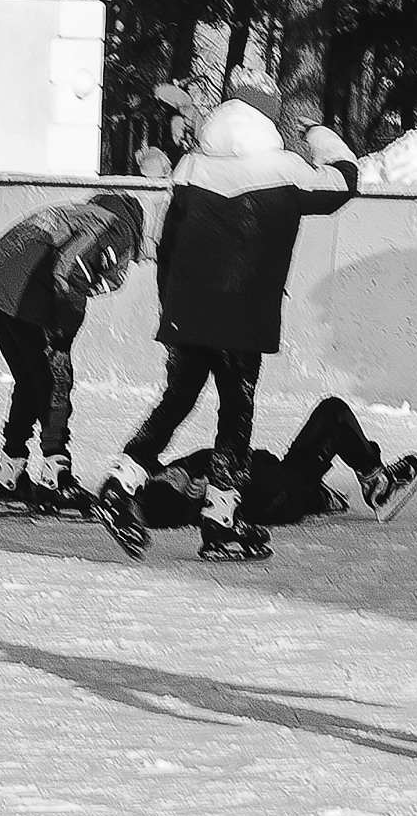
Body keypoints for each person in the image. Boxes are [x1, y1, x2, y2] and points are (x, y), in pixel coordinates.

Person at [94, 96, 358, 563]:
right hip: (241, 314)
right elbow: (343, 182)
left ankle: (120, 482)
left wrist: (172, 312)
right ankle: (220, 520)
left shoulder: (191, 167)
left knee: (176, 401)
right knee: (235, 413)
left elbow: (165, 241)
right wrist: (317, 131)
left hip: (186, 309)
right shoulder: (285, 170)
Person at [0, 190, 145, 519]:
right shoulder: (118, 228)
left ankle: (7, 477)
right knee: (55, 380)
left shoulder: (84, 215)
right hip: (24, 289)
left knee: (31, 380)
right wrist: (63, 335)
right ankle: (56, 478)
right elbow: (71, 270)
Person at [135, 396, 417, 532]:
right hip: (289, 488)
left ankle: (329, 493)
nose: (174, 469)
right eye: (173, 476)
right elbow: (260, 471)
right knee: (333, 413)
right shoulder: (210, 489)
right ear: (191, 493)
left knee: (332, 418)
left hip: (286, 482)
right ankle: (379, 485)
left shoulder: (188, 477)